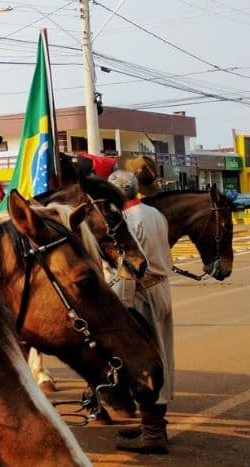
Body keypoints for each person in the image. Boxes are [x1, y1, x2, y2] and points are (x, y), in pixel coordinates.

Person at [108, 169, 174, 455]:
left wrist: (117, 306)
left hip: (140, 293)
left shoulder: (130, 221)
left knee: (146, 363)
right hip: (159, 288)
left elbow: (129, 269)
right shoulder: (154, 213)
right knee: (161, 356)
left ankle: (154, 432)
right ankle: (153, 423)